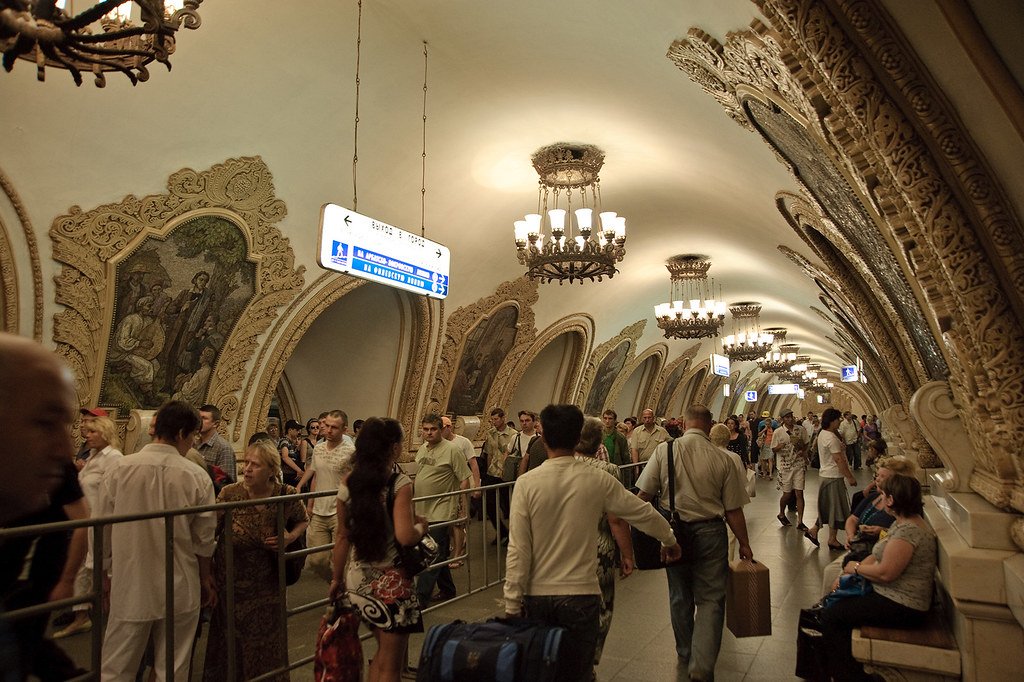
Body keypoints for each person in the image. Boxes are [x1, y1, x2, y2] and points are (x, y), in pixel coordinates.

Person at [504, 404, 681, 682]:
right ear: (577, 439)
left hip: (535, 593)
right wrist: (669, 538)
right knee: (579, 671)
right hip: (581, 594)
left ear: (544, 438)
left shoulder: (527, 483)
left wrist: (512, 602)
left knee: (540, 670)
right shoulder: (597, 478)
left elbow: (518, 548)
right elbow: (640, 511)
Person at [99, 401, 217, 682]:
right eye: (192, 436)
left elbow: (100, 527)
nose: (192, 443)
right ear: (180, 434)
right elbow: (204, 538)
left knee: (118, 665)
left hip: (130, 580)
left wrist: (103, 573)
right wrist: (205, 577)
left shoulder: (119, 469)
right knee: (173, 666)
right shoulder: (196, 476)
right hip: (180, 581)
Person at [636, 404, 752, 681]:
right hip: (711, 531)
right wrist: (745, 545)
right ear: (710, 426)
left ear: (685, 424)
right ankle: (702, 664)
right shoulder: (724, 458)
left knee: (679, 595)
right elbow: (734, 509)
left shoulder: (664, 451)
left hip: (673, 532)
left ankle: (685, 651)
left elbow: (644, 495)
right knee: (711, 598)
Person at [329, 417, 428, 682]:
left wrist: (336, 579)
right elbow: (405, 537)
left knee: (382, 654)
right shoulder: (399, 483)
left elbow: (342, 537)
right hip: (391, 582)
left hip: (357, 581)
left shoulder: (348, 483)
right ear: (394, 448)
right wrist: (423, 528)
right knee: (391, 666)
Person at [203, 439, 308, 682]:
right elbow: (209, 533)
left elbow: (303, 520)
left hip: (267, 583)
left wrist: (290, 536)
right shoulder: (230, 494)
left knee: (266, 639)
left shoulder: (285, 494)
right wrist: (206, 573)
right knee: (230, 640)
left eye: (255, 465)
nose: (247, 469)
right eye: (246, 463)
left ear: (272, 470)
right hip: (231, 580)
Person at [818, 473, 937, 681]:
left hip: (903, 605)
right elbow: (877, 556)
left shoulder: (908, 532)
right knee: (835, 603)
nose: (881, 497)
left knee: (832, 616)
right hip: (892, 595)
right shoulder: (904, 523)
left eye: (885, 495)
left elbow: (885, 572)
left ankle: (848, 675)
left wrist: (855, 569)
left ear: (891, 500)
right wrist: (851, 574)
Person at [54, 416, 125, 639]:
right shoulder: (92, 456)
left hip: (100, 520)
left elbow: (115, 492)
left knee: (96, 569)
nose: (88, 435)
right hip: (87, 520)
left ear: (105, 433)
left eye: (94, 432)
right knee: (84, 569)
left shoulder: (113, 458)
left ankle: (93, 616)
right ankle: (82, 615)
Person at [573, 417, 635, 665]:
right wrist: (627, 554)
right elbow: (616, 520)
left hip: (564, 548)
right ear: (599, 441)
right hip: (599, 551)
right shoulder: (609, 471)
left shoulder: (556, 467)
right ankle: (589, 659)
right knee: (600, 605)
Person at [820, 454, 918, 595]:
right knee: (830, 571)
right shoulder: (875, 497)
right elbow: (852, 519)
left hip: (874, 552)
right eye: (877, 475)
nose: (877, 479)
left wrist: (881, 531)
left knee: (836, 574)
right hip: (861, 547)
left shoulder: (901, 507)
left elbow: (898, 536)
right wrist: (850, 534)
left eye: (883, 477)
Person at [413, 413, 471, 605]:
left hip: (442, 508)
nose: (429, 433)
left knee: (430, 552)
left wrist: (462, 507)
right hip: (422, 509)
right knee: (437, 551)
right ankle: (447, 589)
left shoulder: (452, 450)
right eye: (426, 429)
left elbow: (464, 478)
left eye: (433, 429)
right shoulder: (422, 449)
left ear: (442, 430)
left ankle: (420, 597)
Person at [297, 409, 355, 582]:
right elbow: (315, 474)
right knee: (316, 560)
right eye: (327, 426)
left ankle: (340, 595)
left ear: (344, 429)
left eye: (334, 427)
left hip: (340, 511)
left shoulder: (350, 451)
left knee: (340, 560)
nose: (328, 430)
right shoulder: (319, 448)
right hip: (320, 511)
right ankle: (337, 583)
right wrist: (308, 500)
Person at [804, 408, 858, 551]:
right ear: (832, 421)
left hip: (826, 475)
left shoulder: (823, 434)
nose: (840, 421)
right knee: (836, 508)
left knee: (829, 507)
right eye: (838, 419)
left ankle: (816, 530)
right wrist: (850, 477)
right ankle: (831, 538)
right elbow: (839, 459)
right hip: (833, 476)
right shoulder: (831, 438)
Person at [440, 416, 479, 570]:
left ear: (449, 427)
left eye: (441, 428)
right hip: (445, 487)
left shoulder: (463, 442)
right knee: (448, 520)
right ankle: (458, 543)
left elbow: (473, 464)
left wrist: (476, 486)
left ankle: (458, 554)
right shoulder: (437, 443)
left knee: (458, 521)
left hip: (461, 485)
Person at [480, 407, 515, 542]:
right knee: (489, 505)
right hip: (492, 472)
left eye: (496, 419)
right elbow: (489, 453)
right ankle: (501, 531)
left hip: (506, 474)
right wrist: (489, 469)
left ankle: (513, 534)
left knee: (508, 505)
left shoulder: (513, 434)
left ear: (503, 418)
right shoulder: (490, 433)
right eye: (492, 419)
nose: (494, 422)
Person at [773, 408, 809, 530]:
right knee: (787, 494)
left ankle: (800, 521)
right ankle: (781, 513)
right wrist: (780, 446)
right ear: (782, 419)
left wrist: (802, 449)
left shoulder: (800, 430)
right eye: (786, 417)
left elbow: (806, 444)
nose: (789, 419)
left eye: (791, 416)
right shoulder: (778, 432)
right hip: (785, 466)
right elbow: (773, 448)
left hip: (798, 464)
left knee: (799, 492)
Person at [197, 404, 237, 483]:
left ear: (215, 424)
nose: (199, 421)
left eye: (204, 418)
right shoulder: (193, 443)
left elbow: (227, 483)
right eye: (198, 418)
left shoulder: (224, 448)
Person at [279, 419, 305, 487]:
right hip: (287, 475)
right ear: (290, 430)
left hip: (292, 473)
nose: (299, 432)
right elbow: (285, 457)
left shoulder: (291, 443)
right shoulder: (284, 441)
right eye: (297, 430)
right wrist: (299, 470)